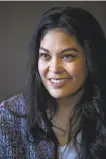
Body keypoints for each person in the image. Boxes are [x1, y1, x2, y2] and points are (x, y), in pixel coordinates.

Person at [0, 6, 106, 159]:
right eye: (45, 56)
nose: (54, 68)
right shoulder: (8, 118)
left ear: (92, 59)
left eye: (67, 56)